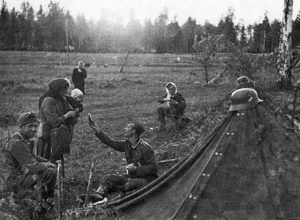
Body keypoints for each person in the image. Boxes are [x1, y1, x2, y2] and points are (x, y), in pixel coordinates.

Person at [89, 118, 158, 197]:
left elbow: (153, 168)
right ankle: (98, 196)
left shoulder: (145, 148)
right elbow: (111, 142)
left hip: (147, 180)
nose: (125, 129)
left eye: (128, 127)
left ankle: (117, 195)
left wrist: (136, 169)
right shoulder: (127, 144)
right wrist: (98, 131)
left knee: (129, 184)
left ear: (134, 131)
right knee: (108, 178)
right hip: (132, 177)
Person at [0, 112, 56, 200]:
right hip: (11, 185)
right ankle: (45, 202)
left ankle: (36, 197)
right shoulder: (17, 143)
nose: (34, 129)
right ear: (21, 127)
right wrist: (47, 165)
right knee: (49, 172)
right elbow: (34, 167)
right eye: (30, 126)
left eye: (36, 126)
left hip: (15, 177)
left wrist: (47, 161)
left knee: (46, 169)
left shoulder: (21, 138)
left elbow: (32, 156)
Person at [37, 78, 77, 162]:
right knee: (46, 161)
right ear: (57, 90)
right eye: (64, 90)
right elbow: (53, 121)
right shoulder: (48, 101)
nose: (66, 92)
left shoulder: (61, 99)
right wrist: (67, 115)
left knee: (57, 161)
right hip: (47, 137)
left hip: (57, 137)